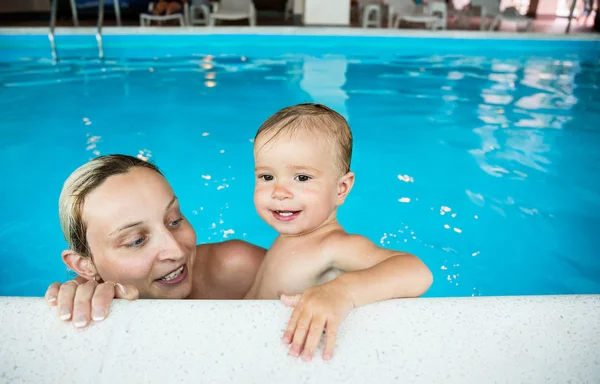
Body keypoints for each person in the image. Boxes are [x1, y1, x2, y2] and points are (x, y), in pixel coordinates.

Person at [244, 103, 433, 361]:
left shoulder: (333, 245)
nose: (279, 192)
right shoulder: (293, 235)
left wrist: (340, 292)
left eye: (302, 178)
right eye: (267, 177)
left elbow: (416, 271)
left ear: (341, 189)